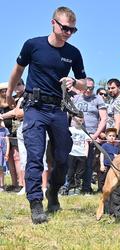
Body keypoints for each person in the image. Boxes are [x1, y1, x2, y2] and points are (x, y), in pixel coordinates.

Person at [6, 6, 87, 224]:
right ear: (53, 23)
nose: (68, 33)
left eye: (73, 30)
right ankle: (35, 203)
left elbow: (84, 83)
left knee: (62, 157)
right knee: (35, 156)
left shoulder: (73, 53)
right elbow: (18, 70)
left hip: (58, 109)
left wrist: (74, 82)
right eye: (65, 28)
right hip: (35, 108)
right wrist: (9, 94)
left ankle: (53, 190)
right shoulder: (33, 45)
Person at [73, 77, 107, 194]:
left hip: (91, 134)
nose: (88, 90)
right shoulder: (76, 98)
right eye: (86, 87)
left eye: (91, 88)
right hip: (75, 134)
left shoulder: (98, 99)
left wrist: (96, 135)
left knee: (88, 162)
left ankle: (86, 187)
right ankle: (72, 185)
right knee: (74, 161)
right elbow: (68, 115)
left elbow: (103, 119)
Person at [61, 116, 89, 195]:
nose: (78, 122)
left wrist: (86, 153)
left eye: (80, 120)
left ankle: (77, 188)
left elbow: (86, 142)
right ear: (73, 120)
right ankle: (66, 188)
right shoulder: (70, 129)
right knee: (70, 172)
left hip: (81, 154)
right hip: (71, 153)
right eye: (76, 120)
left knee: (79, 173)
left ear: (83, 121)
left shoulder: (84, 131)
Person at [98, 128, 120, 192]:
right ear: (106, 137)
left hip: (113, 166)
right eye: (110, 136)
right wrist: (102, 164)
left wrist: (117, 156)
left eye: (113, 136)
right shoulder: (104, 145)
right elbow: (102, 155)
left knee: (111, 179)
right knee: (102, 178)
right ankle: (100, 190)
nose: (112, 137)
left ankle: (110, 190)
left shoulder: (116, 147)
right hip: (106, 165)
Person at [0, 118, 10, 192]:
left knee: (1, 170)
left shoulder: (5, 130)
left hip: (1, 153)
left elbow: (7, 142)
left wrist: (7, 153)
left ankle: (2, 185)